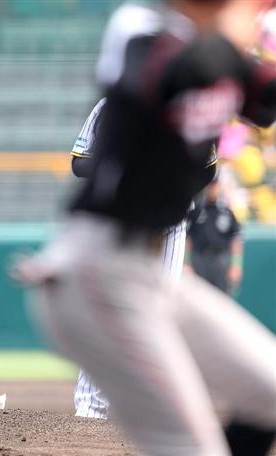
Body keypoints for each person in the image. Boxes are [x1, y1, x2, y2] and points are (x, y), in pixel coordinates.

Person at [13, 1, 276, 455]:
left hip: (153, 269)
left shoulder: (225, 56)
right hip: (97, 266)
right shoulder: (141, 27)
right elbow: (165, 72)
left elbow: (264, 102)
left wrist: (239, 49)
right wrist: (230, 39)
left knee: (269, 393)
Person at [70, 98, 216, 419]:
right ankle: (91, 407)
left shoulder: (193, 105)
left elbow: (209, 169)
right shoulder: (113, 104)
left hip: (171, 222)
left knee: (164, 313)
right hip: (122, 219)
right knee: (107, 308)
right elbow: (79, 162)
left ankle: (156, 408)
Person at [186, 177, 243, 294]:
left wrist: (236, 264)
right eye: (210, 185)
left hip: (220, 260)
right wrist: (186, 262)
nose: (212, 188)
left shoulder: (226, 211)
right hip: (200, 259)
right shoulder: (197, 210)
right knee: (199, 297)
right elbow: (188, 238)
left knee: (223, 298)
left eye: (215, 185)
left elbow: (235, 239)